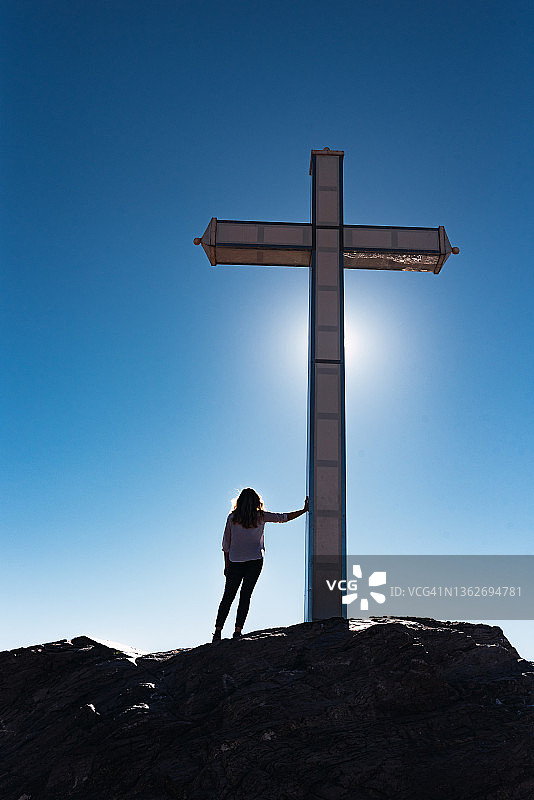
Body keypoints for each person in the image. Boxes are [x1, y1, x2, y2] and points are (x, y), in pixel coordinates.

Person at [212, 488, 309, 643]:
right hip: (255, 561)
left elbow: (226, 544)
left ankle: (217, 632)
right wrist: (304, 510)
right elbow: (284, 518)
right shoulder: (261, 516)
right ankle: (238, 632)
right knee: (245, 596)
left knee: (228, 597)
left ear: (240, 501)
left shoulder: (232, 518)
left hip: (235, 562)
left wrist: (226, 565)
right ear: (257, 501)